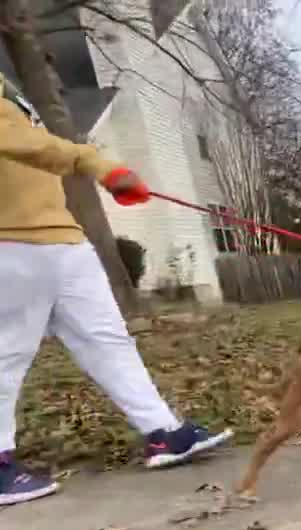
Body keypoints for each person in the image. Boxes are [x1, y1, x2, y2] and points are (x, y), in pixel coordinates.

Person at [0, 72, 233, 507]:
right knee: (6, 352)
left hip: (63, 239)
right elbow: (20, 142)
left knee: (109, 340)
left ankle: (162, 434)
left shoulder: (7, 85)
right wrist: (99, 165)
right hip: (8, 243)